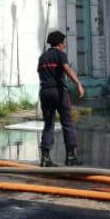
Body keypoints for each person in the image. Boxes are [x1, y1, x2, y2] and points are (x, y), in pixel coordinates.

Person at [37, 30, 84, 167]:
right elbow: (67, 69)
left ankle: (45, 158)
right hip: (58, 91)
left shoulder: (42, 57)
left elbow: (41, 73)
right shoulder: (60, 54)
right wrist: (78, 84)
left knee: (48, 125)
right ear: (59, 44)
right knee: (67, 123)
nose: (65, 46)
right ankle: (70, 157)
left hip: (44, 92)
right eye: (64, 43)